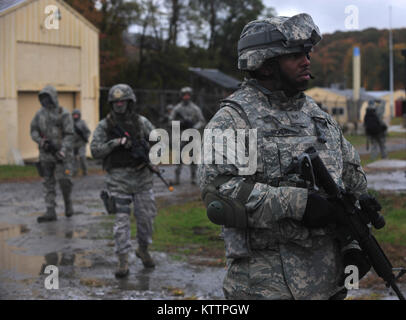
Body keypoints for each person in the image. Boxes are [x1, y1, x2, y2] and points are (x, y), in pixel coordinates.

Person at [198, 14, 371, 300]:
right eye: (294, 55)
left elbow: (350, 180)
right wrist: (298, 204)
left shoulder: (316, 115)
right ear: (265, 64)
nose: (307, 61)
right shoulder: (232, 120)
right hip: (266, 284)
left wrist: (354, 243)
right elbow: (219, 197)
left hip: (330, 282)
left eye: (307, 52)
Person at [90, 84, 158, 278]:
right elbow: (95, 151)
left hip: (142, 179)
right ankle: (123, 260)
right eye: (116, 102)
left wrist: (148, 155)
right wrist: (116, 143)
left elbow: (158, 141)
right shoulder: (106, 125)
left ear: (130, 102)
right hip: (118, 180)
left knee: (146, 220)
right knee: (121, 222)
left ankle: (143, 249)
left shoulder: (141, 122)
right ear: (112, 103)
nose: (119, 105)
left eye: (123, 101)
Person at [30, 85, 74, 223]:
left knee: (64, 181)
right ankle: (50, 210)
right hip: (45, 154)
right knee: (47, 182)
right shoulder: (39, 114)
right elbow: (33, 130)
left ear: (53, 97)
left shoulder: (64, 113)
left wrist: (63, 149)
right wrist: (41, 141)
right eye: (42, 98)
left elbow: (69, 134)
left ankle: (68, 202)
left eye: (47, 97)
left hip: (61, 154)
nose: (45, 101)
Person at [169, 87, 206, 185]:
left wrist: (194, 126)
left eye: (188, 95)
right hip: (181, 134)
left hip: (192, 134)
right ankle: (177, 178)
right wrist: (180, 123)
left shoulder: (195, 108)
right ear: (181, 96)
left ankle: (193, 177)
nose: (186, 97)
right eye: (184, 95)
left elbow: (202, 121)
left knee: (193, 157)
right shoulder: (177, 108)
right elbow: (170, 120)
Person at [72, 109, 91, 176]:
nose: (75, 116)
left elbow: (88, 131)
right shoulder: (70, 123)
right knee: (73, 158)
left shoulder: (82, 122)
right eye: (74, 115)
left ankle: (85, 171)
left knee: (82, 156)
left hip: (81, 142)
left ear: (79, 115)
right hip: (73, 143)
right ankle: (75, 172)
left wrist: (85, 137)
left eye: (77, 115)